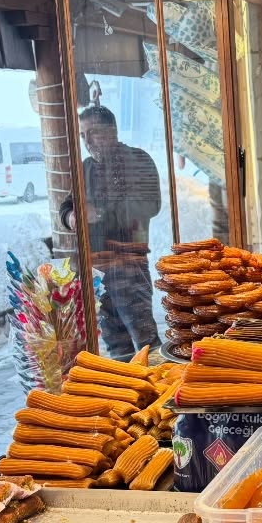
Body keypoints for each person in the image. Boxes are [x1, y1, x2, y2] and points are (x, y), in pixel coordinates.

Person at [58, 105, 162, 360]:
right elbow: (68, 205)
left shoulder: (138, 160)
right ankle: (128, 392)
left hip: (129, 267)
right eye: (83, 135)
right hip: (97, 270)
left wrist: (101, 212)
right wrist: (70, 216)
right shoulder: (84, 168)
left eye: (93, 133)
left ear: (112, 131)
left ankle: (164, 389)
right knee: (115, 345)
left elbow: (150, 205)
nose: (88, 141)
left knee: (147, 341)